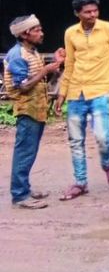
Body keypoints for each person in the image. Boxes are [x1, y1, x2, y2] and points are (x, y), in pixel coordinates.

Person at [55, 0, 109, 201]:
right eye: (87, 12)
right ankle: (80, 182)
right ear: (77, 13)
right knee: (75, 141)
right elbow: (69, 65)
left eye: (95, 11)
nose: (92, 15)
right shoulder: (71, 33)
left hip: (100, 91)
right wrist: (62, 93)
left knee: (102, 137)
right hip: (75, 94)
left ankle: (107, 164)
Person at [4, 15, 64, 209]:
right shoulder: (17, 55)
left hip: (36, 109)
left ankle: (25, 189)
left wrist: (54, 66)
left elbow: (38, 78)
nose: (41, 33)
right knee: (24, 153)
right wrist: (45, 71)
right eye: (36, 30)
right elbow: (23, 86)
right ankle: (20, 196)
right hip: (27, 110)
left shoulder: (31, 52)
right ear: (24, 34)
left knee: (29, 152)